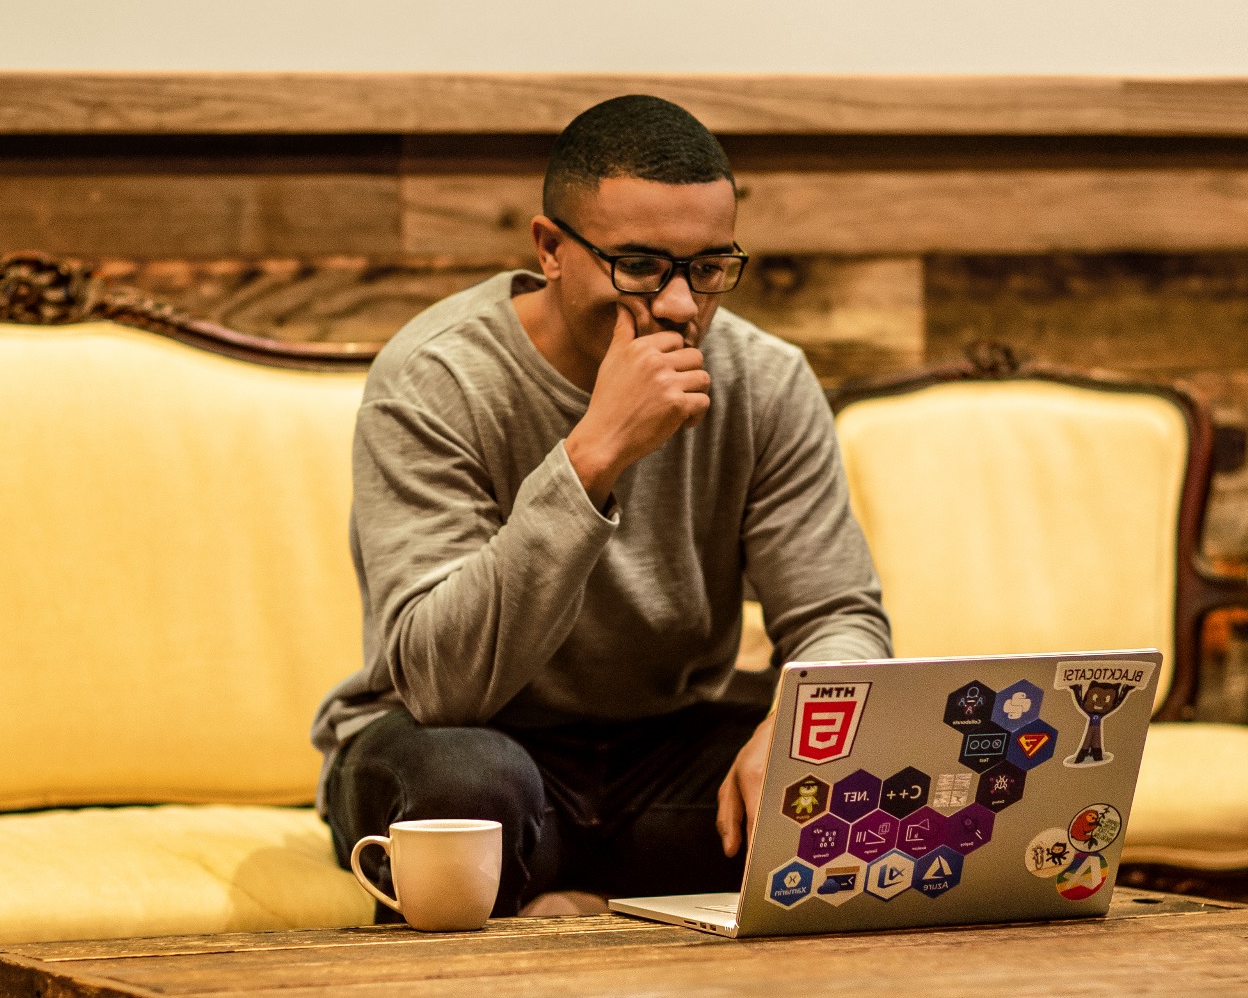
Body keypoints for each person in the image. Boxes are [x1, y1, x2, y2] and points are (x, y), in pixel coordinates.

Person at [311, 94, 890, 917]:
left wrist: (806, 733)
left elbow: (840, 617)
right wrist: (594, 454)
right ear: (550, 248)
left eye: (709, 267)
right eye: (642, 265)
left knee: (848, 771)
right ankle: (566, 902)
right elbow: (441, 686)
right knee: (464, 787)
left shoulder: (765, 380)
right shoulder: (437, 378)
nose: (683, 305)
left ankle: (571, 903)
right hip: (467, 748)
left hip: (664, 755)